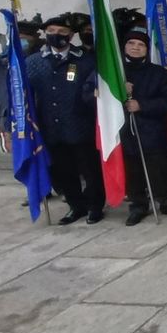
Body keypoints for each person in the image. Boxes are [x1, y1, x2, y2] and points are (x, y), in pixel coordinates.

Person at [26, 14, 105, 224]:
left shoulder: (86, 60)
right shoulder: (33, 62)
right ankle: (75, 206)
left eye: (62, 32)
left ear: (70, 35)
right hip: (51, 128)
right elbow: (24, 96)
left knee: (90, 170)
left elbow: (94, 90)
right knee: (63, 171)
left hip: (81, 125)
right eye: (51, 31)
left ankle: (95, 206)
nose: (56, 35)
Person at [118, 27, 167, 225]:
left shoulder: (158, 73)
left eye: (141, 44)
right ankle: (138, 206)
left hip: (153, 130)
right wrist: (118, 90)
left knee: (159, 169)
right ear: (124, 47)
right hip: (125, 132)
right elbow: (94, 97)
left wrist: (142, 105)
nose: (135, 47)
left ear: (147, 49)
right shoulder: (115, 72)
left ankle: (165, 202)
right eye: (131, 43)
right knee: (133, 172)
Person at [0, 15, 42, 149]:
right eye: (16, 38)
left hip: (40, 122)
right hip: (9, 122)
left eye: (25, 39)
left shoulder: (42, 60)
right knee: (18, 158)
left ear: (35, 39)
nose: (20, 42)